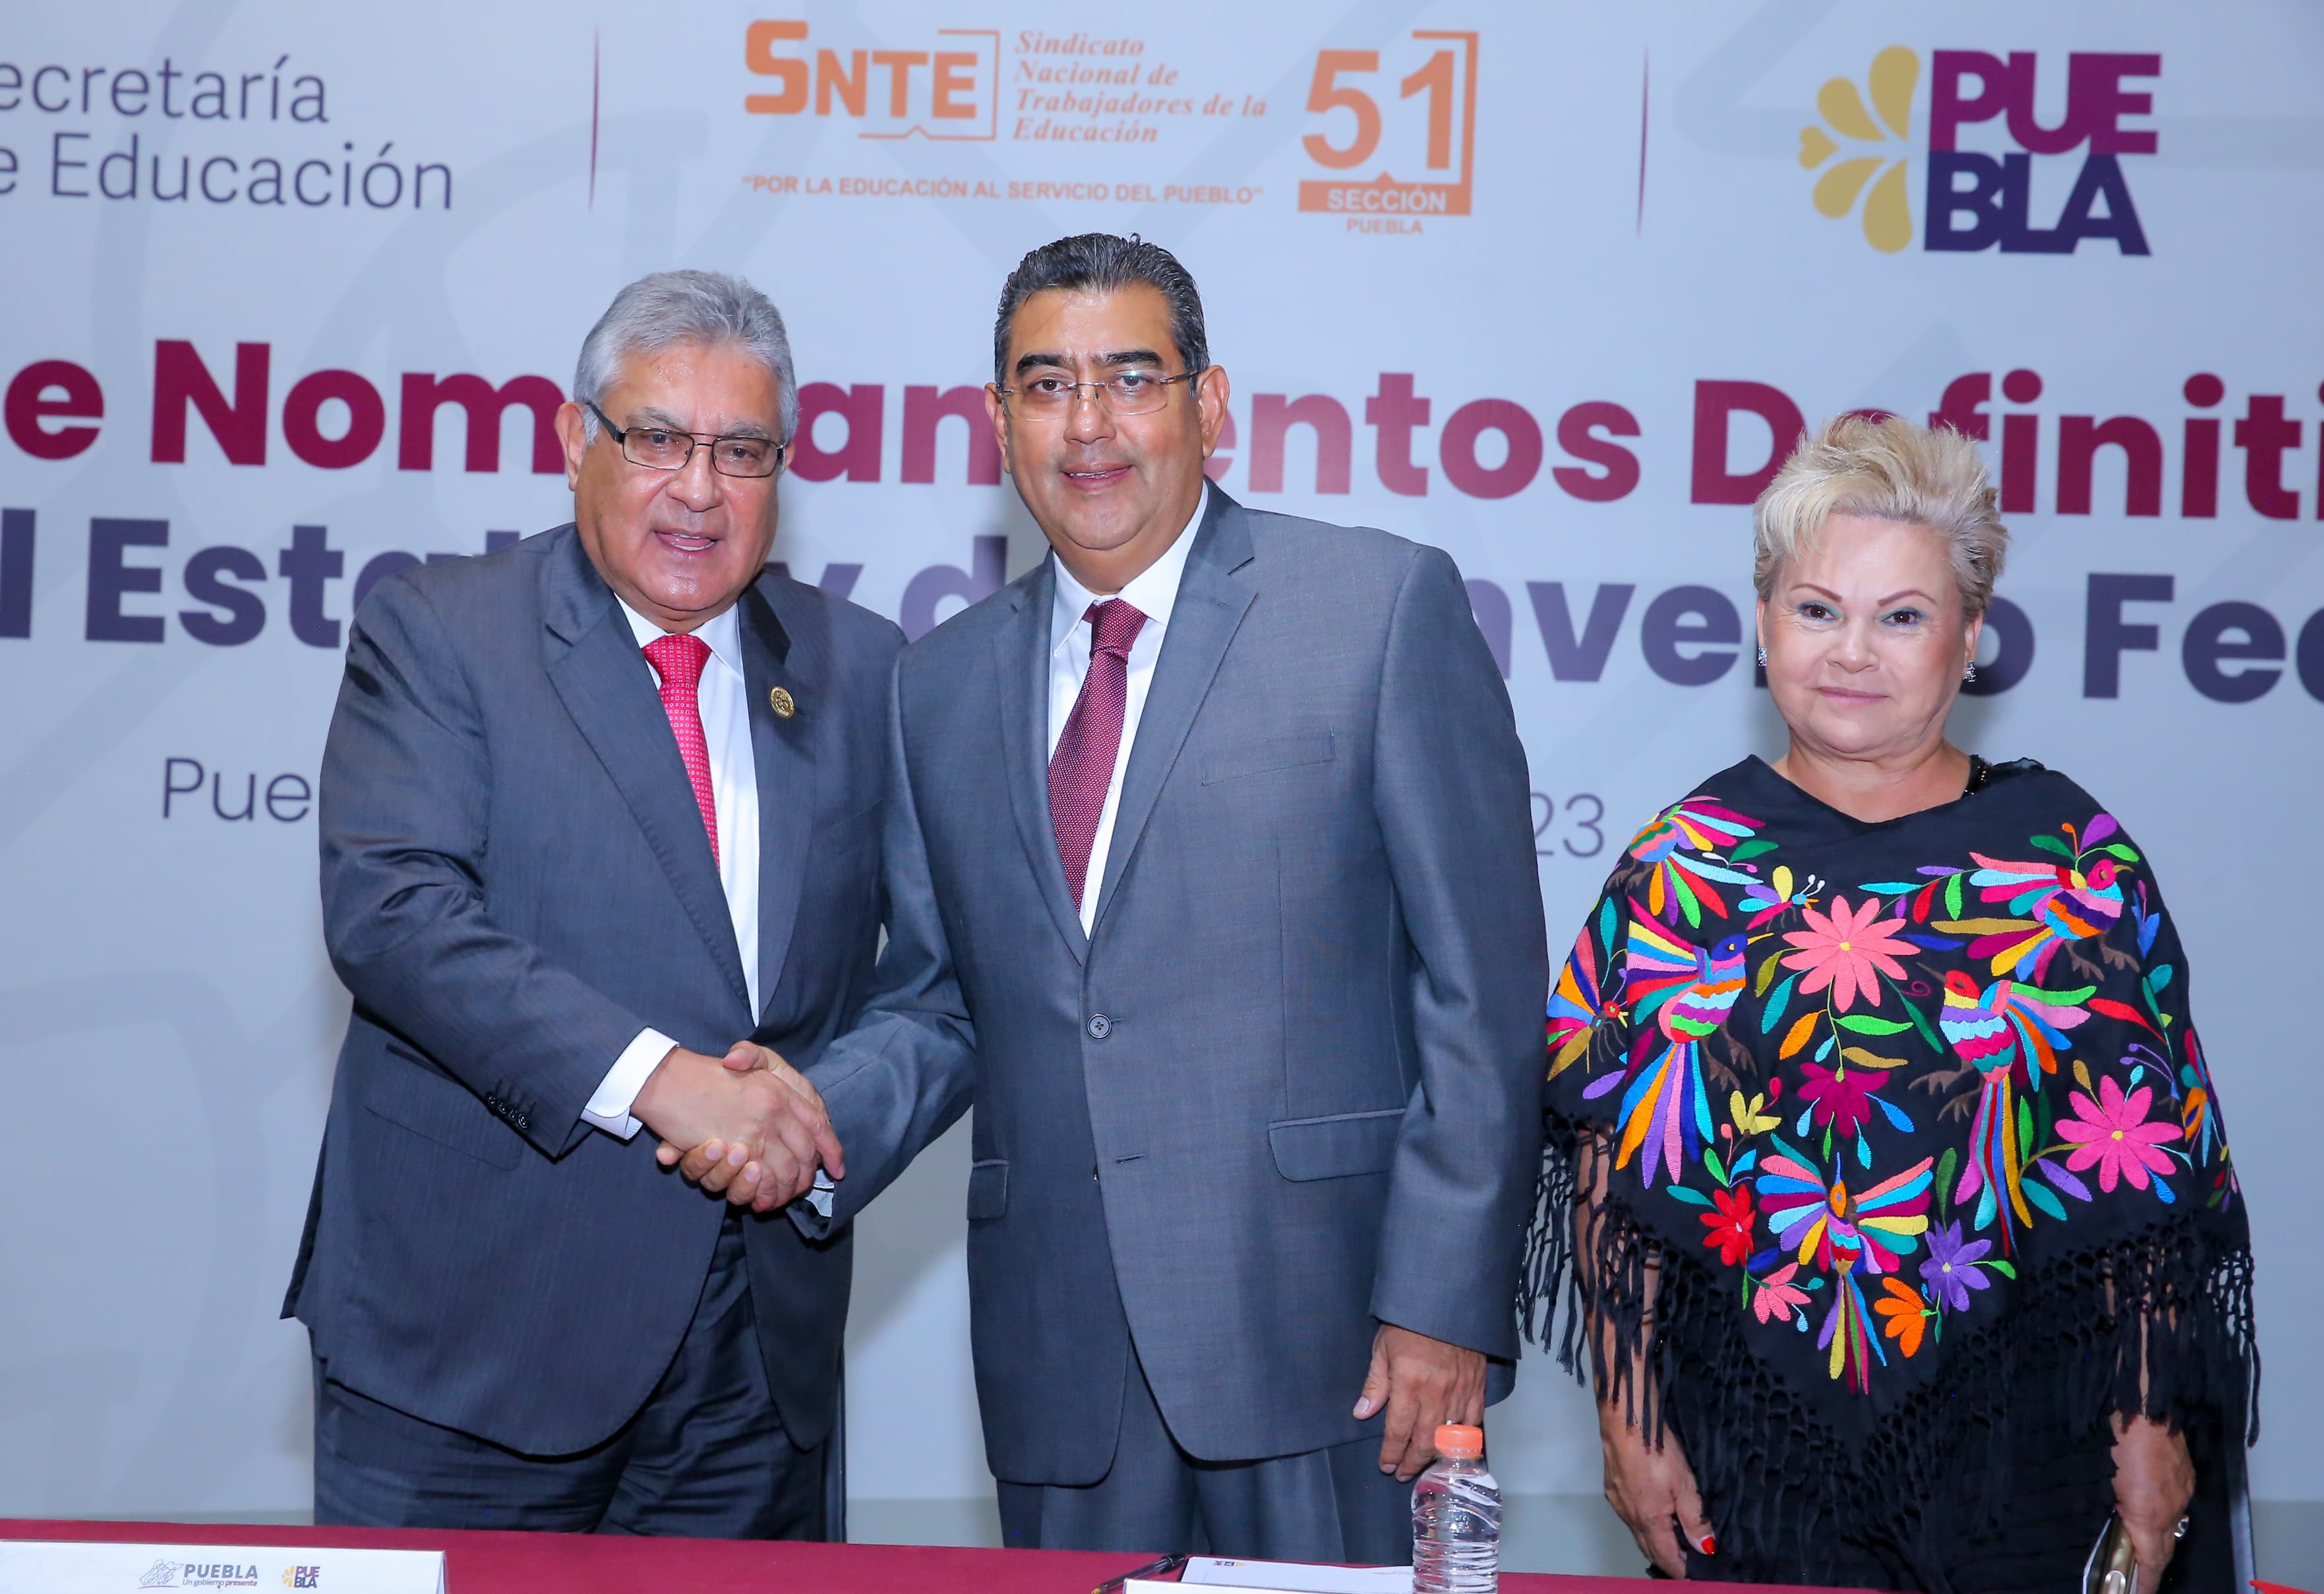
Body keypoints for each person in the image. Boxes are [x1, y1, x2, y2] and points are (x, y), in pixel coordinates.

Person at [674, 233, 1547, 1562]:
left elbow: (1480, 993)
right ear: (996, 421)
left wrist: (1443, 1300)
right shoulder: (938, 685)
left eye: (1130, 378)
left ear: (1209, 404)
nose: (1086, 424)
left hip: (1334, 1351)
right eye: (1045, 385)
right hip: (1063, 1362)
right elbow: (939, 1002)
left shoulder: (1374, 609)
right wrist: (800, 1119)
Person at [1526, 415, 2256, 1591]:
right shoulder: (1685, 865)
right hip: (1749, 1459)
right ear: (1762, 621)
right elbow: (1614, 1175)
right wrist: (1628, 1419)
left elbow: (2146, 1184)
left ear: (1969, 638)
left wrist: (2151, 1421)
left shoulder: (2065, 863)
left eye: (1901, 616)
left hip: (2035, 1456)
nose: (1851, 652)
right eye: (1817, 608)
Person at [282, 269, 899, 1536]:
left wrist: (814, 1121)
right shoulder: (442, 631)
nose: (698, 488)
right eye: (658, 438)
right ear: (576, 442)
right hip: (474, 1343)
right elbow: (394, 911)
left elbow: (937, 981)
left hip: (753, 1367)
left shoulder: (867, 668)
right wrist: (663, 1079)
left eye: (741, 451)